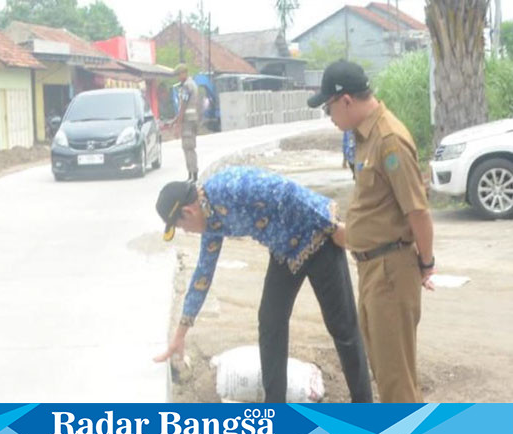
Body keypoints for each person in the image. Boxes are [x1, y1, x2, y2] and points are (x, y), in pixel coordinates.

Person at [154, 166, 373, 403]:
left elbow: (286, 192)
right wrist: (180, 334)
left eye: (181, 227)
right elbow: (202, 275)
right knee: (270, 322)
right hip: (285, 252)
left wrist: (332, 227)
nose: (187, 232)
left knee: (342, 327)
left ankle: (363, 407)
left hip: (318, 239)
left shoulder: (228, 187)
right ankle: (275, 406)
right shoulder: (211, 222)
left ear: (187, 211)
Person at [308, 59, 435, 403]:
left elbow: (418, 211)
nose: (330, 117)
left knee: (396, 381)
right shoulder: (363, 136)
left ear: (346, 100)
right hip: (373, 269)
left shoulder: (388, 140)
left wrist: (426, 262)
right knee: (386, 371)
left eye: (329, 108)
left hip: (391, 271)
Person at [172, 63, 199, 182]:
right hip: (192, 119)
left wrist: (178, 124)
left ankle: (192, 175)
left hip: (187, 121)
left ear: (184, 73)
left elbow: (183, 105)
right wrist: (176, 119)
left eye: (179, 75)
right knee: (189, 147)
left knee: (188, 148)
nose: (178, 77)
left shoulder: (187, 86)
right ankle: (191, 174)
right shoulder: (193, 84)